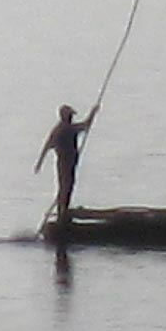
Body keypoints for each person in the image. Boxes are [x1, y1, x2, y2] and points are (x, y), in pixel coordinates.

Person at [35, 103, 98, 254]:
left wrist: (39, 163)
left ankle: (63, 214)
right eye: (70, 115)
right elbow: (85, 126)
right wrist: (93, 113)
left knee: (65, 188)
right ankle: (63, 216)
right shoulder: (65, 129)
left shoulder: (59, 129)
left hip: (67, 163)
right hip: (65, 164)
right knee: (66, 188)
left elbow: (46, 146)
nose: (71, 118)